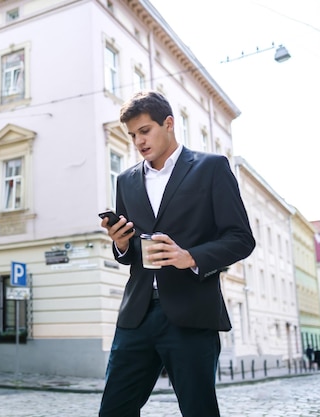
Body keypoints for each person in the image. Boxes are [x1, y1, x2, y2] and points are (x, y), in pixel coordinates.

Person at [99, 90, 255, 417]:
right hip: (136, 315)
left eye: (145, 131)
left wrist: (191, 257)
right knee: (113, 410)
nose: (138, 141)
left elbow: (241, 238)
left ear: (168, 124)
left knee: (198, 411)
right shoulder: (126, 180)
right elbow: (129, 254)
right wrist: (122, 243)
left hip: (192, 313)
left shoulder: (210, 168)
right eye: (132, 135)